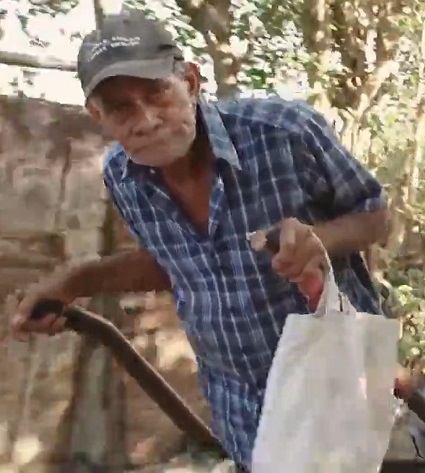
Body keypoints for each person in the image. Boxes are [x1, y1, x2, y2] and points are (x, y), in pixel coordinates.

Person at [10, 11, 394, 471]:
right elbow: (175, 262)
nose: (146, 120)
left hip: (336, 379)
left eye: (157, 93)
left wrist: (322, 239)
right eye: (121, 108)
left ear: (190, 82)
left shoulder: (286, 133)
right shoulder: (122, 177)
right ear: (98, 116)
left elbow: (376, 216)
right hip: (237, 399)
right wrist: (75, 281)